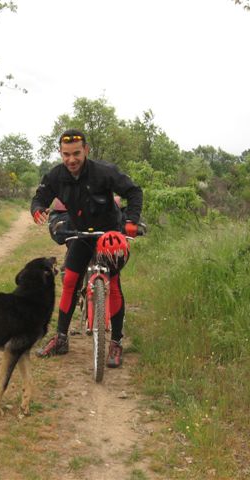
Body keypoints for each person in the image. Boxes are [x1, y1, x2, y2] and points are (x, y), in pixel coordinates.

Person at [30, 129, 143, 368]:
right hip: (80, 234)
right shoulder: (56, 176)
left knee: (114, 284)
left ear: (86, 151)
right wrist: (37, 209)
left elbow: (134, 191)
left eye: (76, 154)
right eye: (66, 154)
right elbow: (40, 197)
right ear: (60, 153)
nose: (71, 159)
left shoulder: (104, 172)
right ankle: (61, 339)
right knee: (70, 280)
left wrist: (131, 221)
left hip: (109, 234)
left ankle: (116, 343)